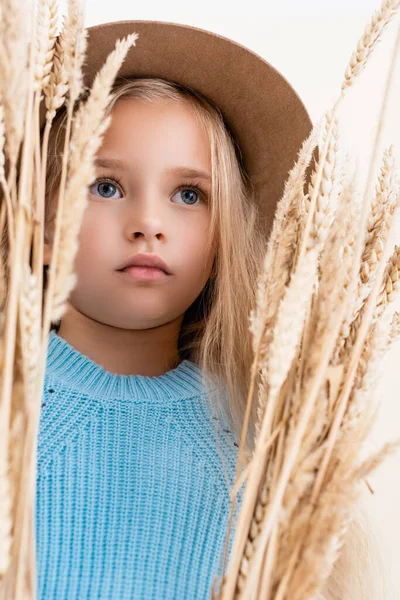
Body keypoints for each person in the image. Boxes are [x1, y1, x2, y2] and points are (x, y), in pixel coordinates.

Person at [35, 19, 384, 600]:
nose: (149, 223)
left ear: (224, 242)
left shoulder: (259, 444)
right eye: (106, 186)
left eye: (189, 195)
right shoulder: (11, 408)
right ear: (40, 223)